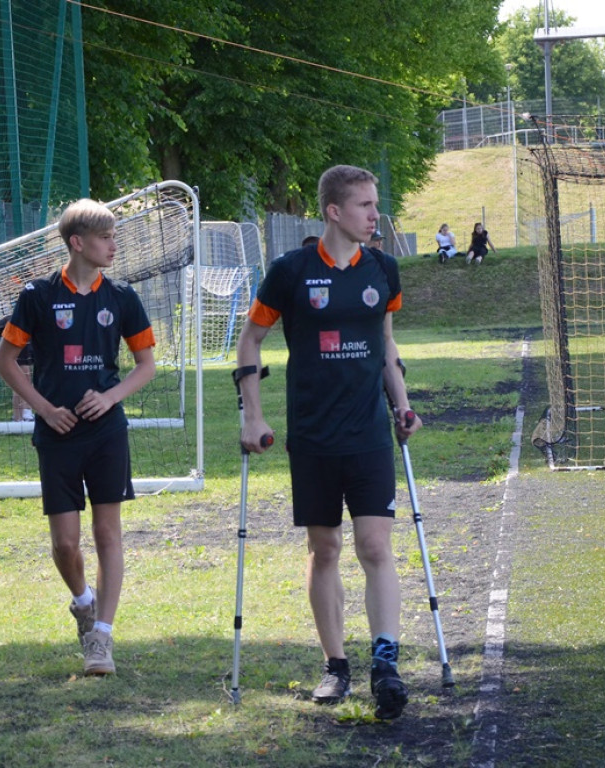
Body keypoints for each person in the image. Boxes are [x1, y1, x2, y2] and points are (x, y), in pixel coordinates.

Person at [236, 164, 421, 720]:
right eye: (364, 205)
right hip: (314, 436)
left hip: (367, 435)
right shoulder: (290, 272)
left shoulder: (383, 271)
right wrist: (253, 416)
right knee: (325, 549)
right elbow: (251, 339)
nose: (374, 215)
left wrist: (402, 403)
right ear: (334, 212)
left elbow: (385, 345)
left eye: (375, 204)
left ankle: (385, 663)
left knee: (374, 546)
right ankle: (335, 664)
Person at [0, 198, 157, 676]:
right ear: (77, 243)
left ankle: (101, 637)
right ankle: (83, 602)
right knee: (65, 545)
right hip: (58, 434)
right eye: (106, 237)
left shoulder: (122, 297)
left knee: (108, 532)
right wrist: (45, 409)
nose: (114, 245)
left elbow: (146, 366)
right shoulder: (38, 296)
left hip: (107, 432)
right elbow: (5, 362)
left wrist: (110, 398)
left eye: (114, 236)